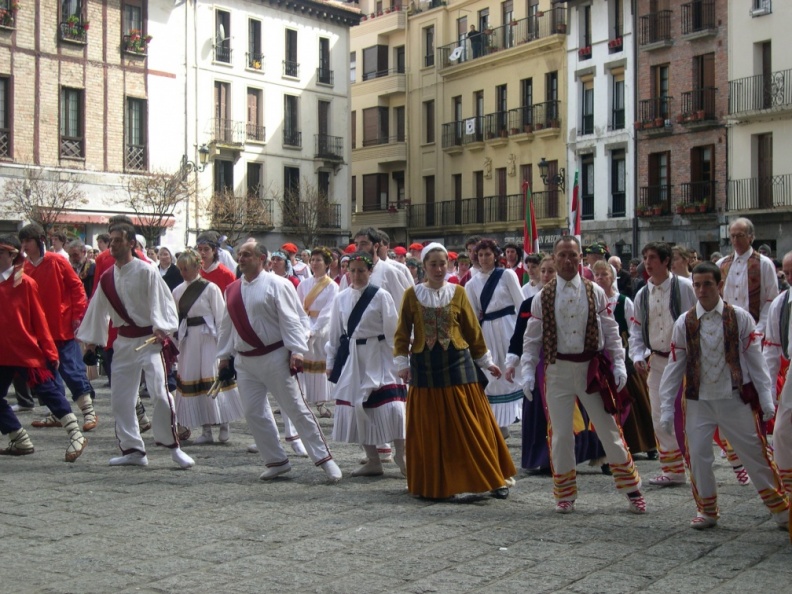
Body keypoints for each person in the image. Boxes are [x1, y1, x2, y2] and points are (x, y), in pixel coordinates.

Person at [660, 261, 790, 530]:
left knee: (755, 454)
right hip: (698, 401)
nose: (702, 290)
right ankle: (707, 510)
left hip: (735, 398)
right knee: (698, 456)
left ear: (719, 285)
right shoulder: (684, 322)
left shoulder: (740, 317)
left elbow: (756, 361)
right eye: (697, 285)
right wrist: (666, 407)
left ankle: (781, 509)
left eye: (707, 284)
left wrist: (766, 398)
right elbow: (674, 366)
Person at [522, 236, 646, 515]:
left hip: (591, 368)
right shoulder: (542, 296)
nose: (567, 260)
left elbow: (611, 330)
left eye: (572, 255)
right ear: (554, 258)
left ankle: (632, 488)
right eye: (562, 255)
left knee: (608, 429)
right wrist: (527, 372)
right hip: (557, 370)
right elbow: (532, 338)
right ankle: (565, 493)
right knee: (561, 435)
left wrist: (618, 363)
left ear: (580, 258)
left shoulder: (595, 291)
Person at [395, 243, 515, 499]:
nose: (439, 269)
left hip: (458, 363)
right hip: (425, 366)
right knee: (432, 428)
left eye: (442, 264)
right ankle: (438, 481)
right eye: (433, 264)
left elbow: (472, 331)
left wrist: (486, 362)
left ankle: (490, 476)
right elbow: (402, 332)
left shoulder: (458, 292)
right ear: (424, 266)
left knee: (471, 424)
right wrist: (402, 364)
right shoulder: (411, 295)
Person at [216, 240, 342, 482]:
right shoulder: (231, 290)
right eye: (240, 254)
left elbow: (292, 319)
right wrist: (224, 356)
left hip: (274, 356)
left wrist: (297, 350)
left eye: (247, 254)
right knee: (253, 412)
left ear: (261, 259)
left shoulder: (278, 284)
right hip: (245, 361)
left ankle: (325, 459)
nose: (241, 258)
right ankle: (276, 460)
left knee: (296, 408)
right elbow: (226, 325)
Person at [77, 222, 195, 469]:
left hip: (149, 340)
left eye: (118, 240)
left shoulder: (147, 271)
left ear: (131, 243)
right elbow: (97, 311)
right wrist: (92, 343)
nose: (112, 245)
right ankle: (133, 449)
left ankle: (173, 448)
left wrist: (161, 327)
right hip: (123, 343)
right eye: (111, 240)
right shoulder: (107, 278)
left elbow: (162, 302)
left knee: (160, 394)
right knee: (121, 397)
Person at [506, 256, 606, 473]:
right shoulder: (529, 303)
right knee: (540, 409)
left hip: (571, 360)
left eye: (550, 271)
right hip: (540, 363)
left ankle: (593, 452)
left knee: (585, 409)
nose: (545, 275)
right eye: (543, 271)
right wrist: (512, 362)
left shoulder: (577, 298)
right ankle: (544, 457)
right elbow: (521, 336)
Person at [0, 234, 87, 462]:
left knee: (48, 391)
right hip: (2, 352)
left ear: (12, 255)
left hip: (26, 350)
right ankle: (19, 438)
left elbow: (39, 320)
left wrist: (49, 350)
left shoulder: (25, 282)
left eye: (0, 252)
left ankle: (76, 434)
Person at [326, 252, 406, 477]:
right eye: (352, 270)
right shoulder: (341, 298)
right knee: (358, 407)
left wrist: (400, 361)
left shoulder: (381, 296)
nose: (356, 275)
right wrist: (331, 361)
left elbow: (393, 331)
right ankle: (373, 460)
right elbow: (335, 334)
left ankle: (402, 455)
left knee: (393, 407)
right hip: (355, 357)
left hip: (380, 354)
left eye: (361, 270)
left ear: (370, 271)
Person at [19, 224, 97, 433]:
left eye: (28, 241)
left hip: (61, 326)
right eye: (23, 241)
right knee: (48, 375)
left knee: (71, 370)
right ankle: (58, 412)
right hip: (38, 331)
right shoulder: (23, 267)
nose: (25, 245)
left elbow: (77, 287)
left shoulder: (56, 261)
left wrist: (77, 315)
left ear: (40, 240)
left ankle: (89, 411)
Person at [628, 241, 696, 485]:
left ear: (666, 261)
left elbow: (696, 320)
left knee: (689, 413)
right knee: (658, 415)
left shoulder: (685, 287)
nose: (647, 262)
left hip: (684, 360)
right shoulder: (642, 294)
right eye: (645, 257)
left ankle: (696, 464)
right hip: (657, 360)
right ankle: (673, 470)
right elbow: (636, 330)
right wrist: (638, 355)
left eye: (653, 257)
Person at [172, 249, 244, 444]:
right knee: (194, 379)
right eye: (181, 269)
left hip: (209, 339)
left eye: (186, 269)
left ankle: (224, 423)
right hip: (189, 340)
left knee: (211, 377)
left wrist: (224, 348)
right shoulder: (177, 291)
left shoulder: (210, 289)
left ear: (197, 267)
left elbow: (221, 318)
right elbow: (176, 319)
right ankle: (206, 429)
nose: (183, 273)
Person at [592, 260, 656, 459]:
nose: (600, 278)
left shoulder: (623, 302)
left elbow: (634, 329)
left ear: (612, 277)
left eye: (604, 274)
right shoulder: (591, 300)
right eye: (597, 275)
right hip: (601, 357)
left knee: (635, 399)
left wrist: (637, 354)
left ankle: (647, 444)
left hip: (624, 354)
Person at [465, 239, 525, 438]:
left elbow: (520, 303)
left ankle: (522, 414)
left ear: (495, 255)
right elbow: (473, 315)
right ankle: (500, 423)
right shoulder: (472, 283)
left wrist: (523, 329)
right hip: (488, 329)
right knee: (493, 372)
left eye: (488, 254)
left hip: (509, 325)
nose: (484, 258)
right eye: (480, 255)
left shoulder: (507, 275)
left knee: (513, 367)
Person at [297, 247, 339, 419]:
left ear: (327, 263)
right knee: (303, 364)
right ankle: (302, 399)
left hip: (321, 330)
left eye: (318, 260)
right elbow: (298, 307)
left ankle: (320, 402)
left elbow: (328, 312)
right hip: (304, 325)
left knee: (319, 362)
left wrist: (314, 330)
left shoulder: (332, 286)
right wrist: (303, 327)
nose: (314, 263)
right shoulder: (303, 284)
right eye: (312, 260)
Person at [717, 218, 778, 336]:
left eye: (740, 235)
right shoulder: (721, 264)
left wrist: (759, 329)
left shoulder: (764, 264)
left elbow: (771, 299)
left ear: (751, 237)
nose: (736, 240)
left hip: (755, 329)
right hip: (727, 329)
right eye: (733, 236)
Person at [763, 250, 792, 501]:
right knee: (782, 430)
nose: (790, 277)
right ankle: (787, 487)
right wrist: (769, 390)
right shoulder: (781, 304)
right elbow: (771, 350)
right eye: (788, 272)